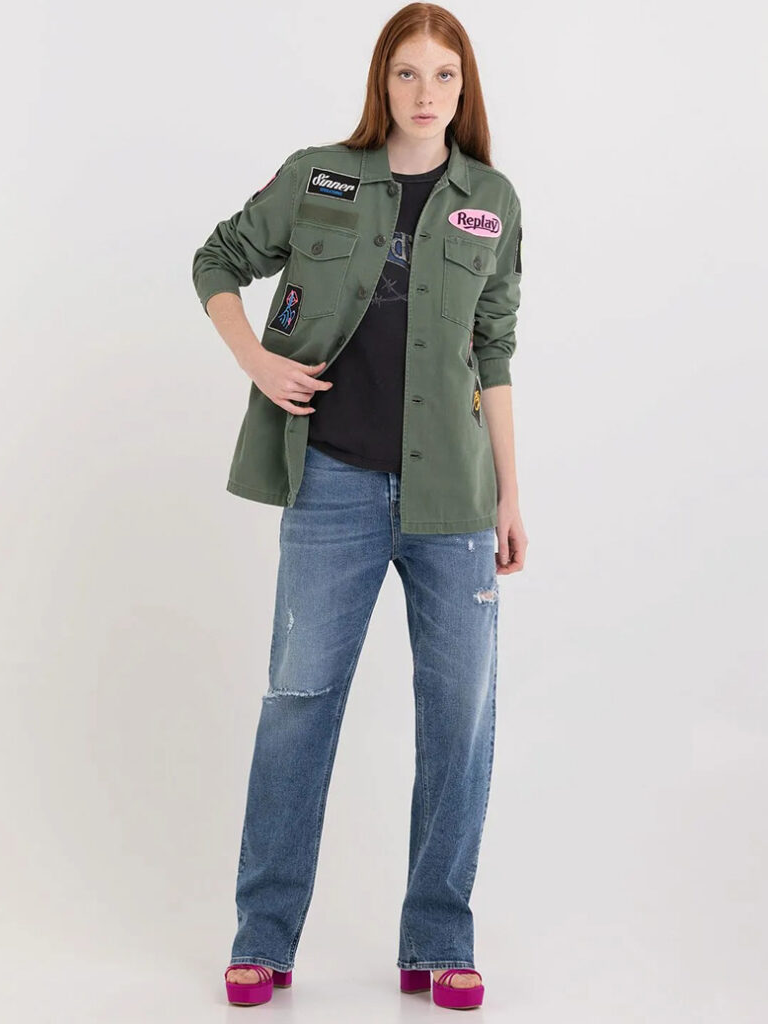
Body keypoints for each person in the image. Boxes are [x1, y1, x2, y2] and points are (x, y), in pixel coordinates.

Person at [191, 2, 527, 1010]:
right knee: (297, 708)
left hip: (455, 499)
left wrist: (513, 494)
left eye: (444, 76)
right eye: (407, 73)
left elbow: (495, 351)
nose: (426, 94)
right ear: (382, 81)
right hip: (332, 484)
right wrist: (256, 360)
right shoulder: (319, 176)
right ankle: (264, 938)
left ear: (464, 90)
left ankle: (438, 941)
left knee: (460, 719)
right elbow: (217, 259)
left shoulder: (492, 200)